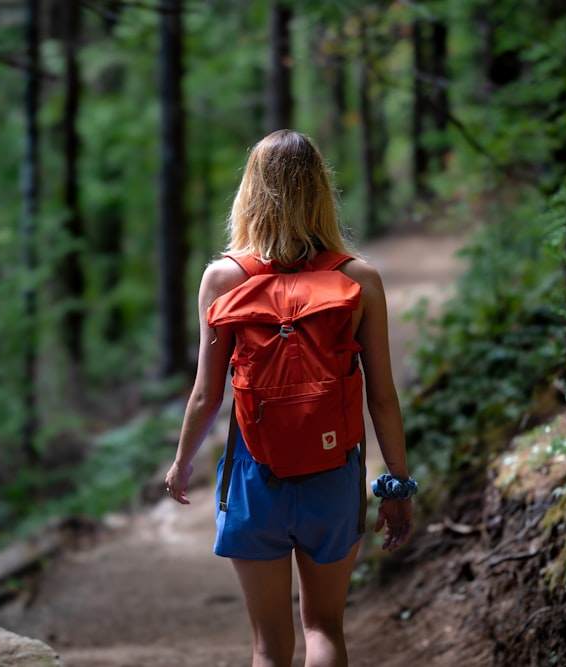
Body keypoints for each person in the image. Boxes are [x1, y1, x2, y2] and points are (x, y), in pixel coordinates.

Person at [164, 129, 415, 667]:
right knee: (324, 629)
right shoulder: (360, 280)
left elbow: (208, 392)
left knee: (268, 647)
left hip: (257, 477)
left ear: (251, 192)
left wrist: (182, 462)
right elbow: (383, 398)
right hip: (333, 474)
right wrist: (396, 484)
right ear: (321, 192)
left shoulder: (222, 278)